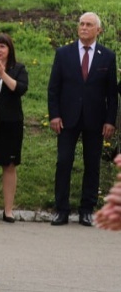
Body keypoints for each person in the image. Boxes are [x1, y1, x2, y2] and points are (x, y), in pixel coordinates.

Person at [47, 12, 118, 227]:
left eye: (89, 25)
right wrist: (55, 115)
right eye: (81, 24)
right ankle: (61, 209)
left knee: (92, 164)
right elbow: (54, 88)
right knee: (64, 161)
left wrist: (110, 120)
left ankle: (87, 209)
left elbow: (111, 93)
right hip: (67, 118)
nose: (84, 28)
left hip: (95, 119)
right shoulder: (63, 53)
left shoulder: (107, 56)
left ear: (99, 30)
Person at [0, 33, 28, 223]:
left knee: (9, 165)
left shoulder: (18, 68)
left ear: (9, 49)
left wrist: (3, 75)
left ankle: (8, 210)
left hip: (12, 123)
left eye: (2, 47)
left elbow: (19, 89)